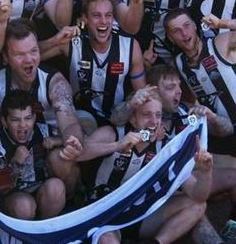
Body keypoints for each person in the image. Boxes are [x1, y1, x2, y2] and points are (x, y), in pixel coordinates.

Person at [163, 8, 236, 242]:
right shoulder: (179, 64)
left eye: (186, 26)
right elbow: (188, 98)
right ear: (170, 37)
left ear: (195, 26)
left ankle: (235, 219)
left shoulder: (220, 43)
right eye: (176, 30)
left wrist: (222, 23)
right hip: (223, 131)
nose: (183, 33)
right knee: (220, 181)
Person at [79, 90, 213, 244]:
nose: (154, 121)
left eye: (158, 115)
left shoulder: (165, 149)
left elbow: (198, 195)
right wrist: (116, 146)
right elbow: (79, 154)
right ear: (133, 119)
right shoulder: (114, 134)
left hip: (138, 214)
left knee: (197, 206)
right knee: (108, 239)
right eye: (146, 115)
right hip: (104, 212)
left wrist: (206, 172)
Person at [0, 19, 86, 195]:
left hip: (51, 147)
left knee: (60, 160)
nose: (29, 59)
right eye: (19, 54)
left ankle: (71, 201)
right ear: (6, 58)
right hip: (15, 153)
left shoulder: (55, 82)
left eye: (34, 51)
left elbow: (69, 123)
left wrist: (72, 142)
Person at [40, 0, 146, 127]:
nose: (103, 21)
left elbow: (142, 92)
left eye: (108, 15)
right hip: (78, 120)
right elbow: (29, 56)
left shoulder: (130, 46)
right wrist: (54, 40)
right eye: (96, 15)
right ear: (85, 18)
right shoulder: (71, 43)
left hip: (117, 120)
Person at [0, 90, 67, 219]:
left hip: (42, 189)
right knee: (23, 206)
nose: (23, 125)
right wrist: (15, 163)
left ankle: (44, 230)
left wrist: (57, 141)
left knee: (56, 187)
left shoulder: (43, 131)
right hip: (15, 195)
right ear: (4, 122)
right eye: (15, 120)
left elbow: (77, 139)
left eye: (28, 118)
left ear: (34, 118)